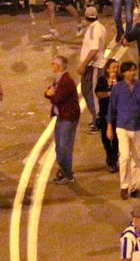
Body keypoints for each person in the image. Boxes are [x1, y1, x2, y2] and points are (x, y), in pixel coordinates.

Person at [110, 60, 140, 199]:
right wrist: (109, 126)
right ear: (123, 73)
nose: (132, 73)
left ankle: (134, 187)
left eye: (134, 70)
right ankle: (124, 186)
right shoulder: (117, 89)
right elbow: (112, 109)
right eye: (129, 70)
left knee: (136, 158)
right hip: (122, 126)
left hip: (138, 126)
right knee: (124, 157)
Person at [45, 55, 80, 183]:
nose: (52, 65)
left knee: (64, 147)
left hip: (68, 118)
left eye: (53, 64)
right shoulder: (59, 78)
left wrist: (51, 94)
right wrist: (49, 93)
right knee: (59, 147)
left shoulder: (66, 81)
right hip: (61, 117)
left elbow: (57, 98)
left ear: (59, 66)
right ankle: (64, 171)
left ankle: (67, 174)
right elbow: (48, 92)